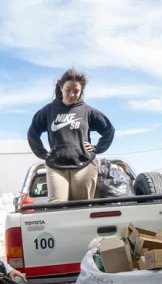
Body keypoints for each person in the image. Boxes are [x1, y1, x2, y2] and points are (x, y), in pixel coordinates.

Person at [27, 68, 116, 202]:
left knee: (81, 207)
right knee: (57, 206)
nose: (72, 94)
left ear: (81, 91)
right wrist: (42, 153)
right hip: (56, 166)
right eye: (68, 90)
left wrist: (97, 148)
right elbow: (33, 132)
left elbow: (109, 130)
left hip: (84, 165)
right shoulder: (48, 111)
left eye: (76, 91)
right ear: (61, 87)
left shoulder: (88, 111)